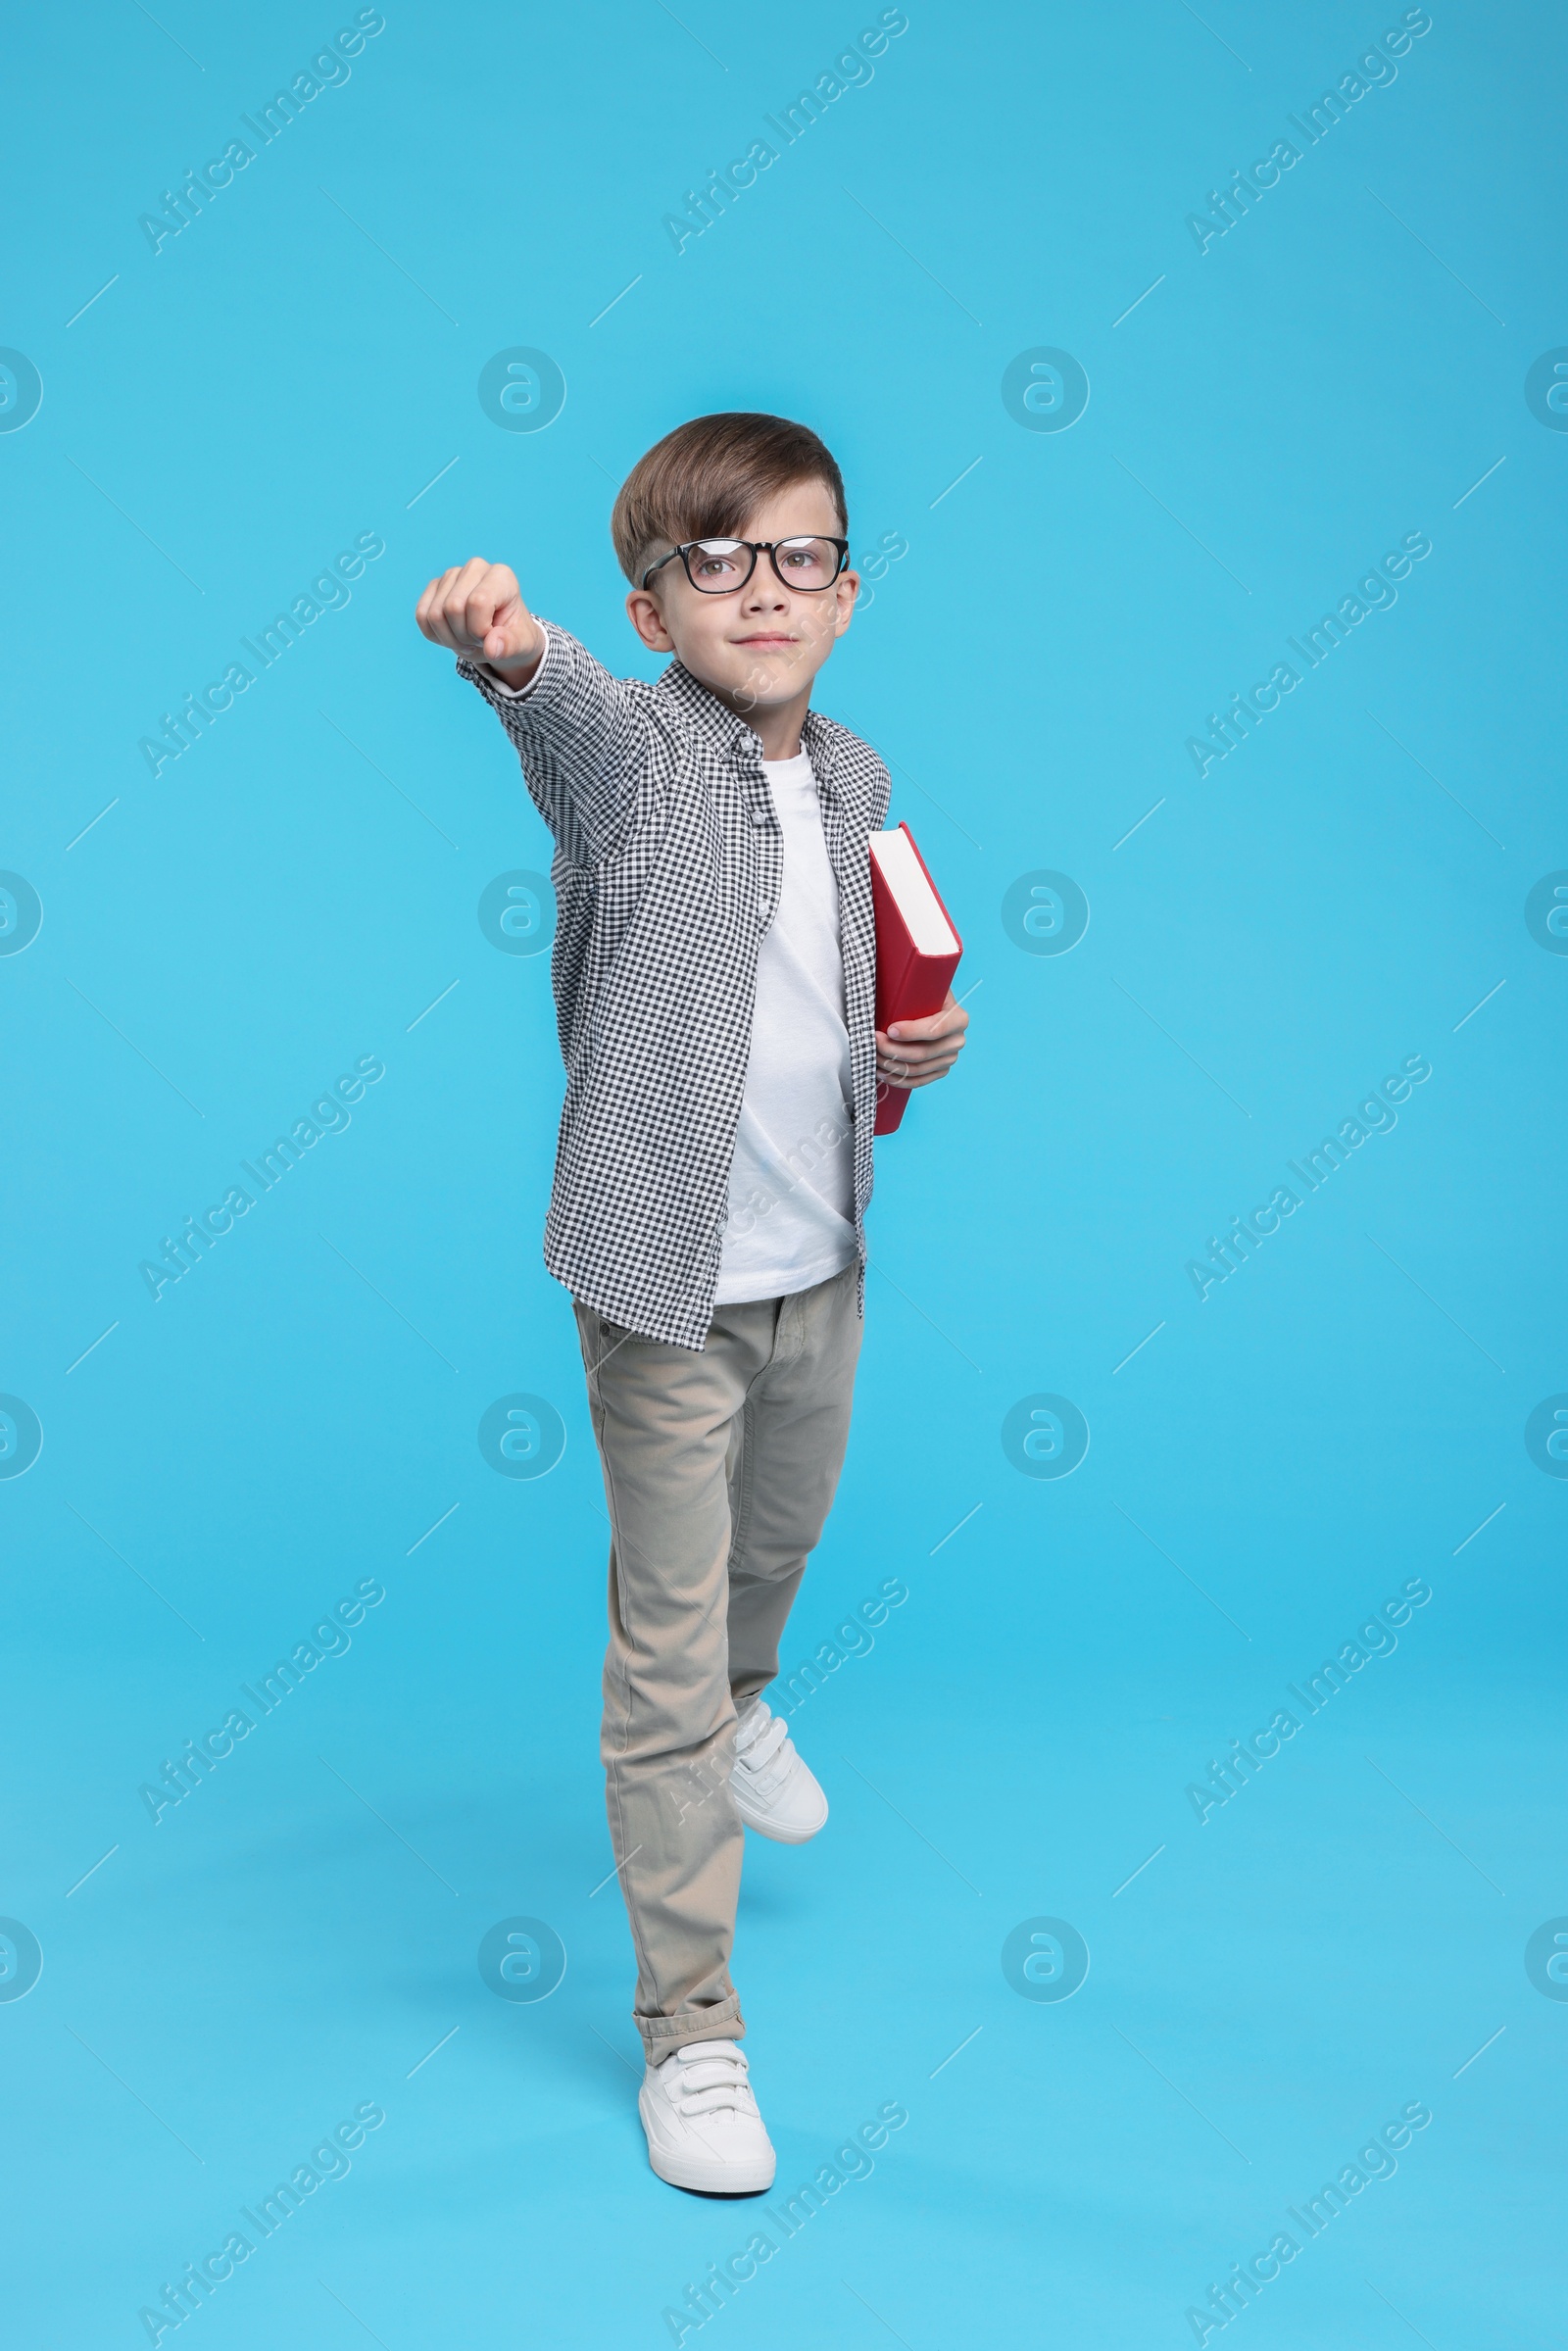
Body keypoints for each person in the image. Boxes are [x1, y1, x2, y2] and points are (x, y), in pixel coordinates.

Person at [415, 412, 967, 2191]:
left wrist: (916, 1045)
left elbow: (837, 1001)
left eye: (799, 554)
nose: (763, 589)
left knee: (773, 1556)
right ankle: (696, 2037)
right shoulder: (635, 752)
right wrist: (504, 645)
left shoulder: (862, 780)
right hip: (663, 1283)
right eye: (712, 563)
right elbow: (555, 706)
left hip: (822, 1265)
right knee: (662, 1649)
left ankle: (747, 1702)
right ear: (652, 611)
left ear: (852, 591)